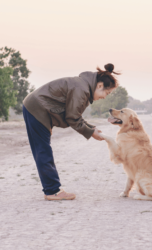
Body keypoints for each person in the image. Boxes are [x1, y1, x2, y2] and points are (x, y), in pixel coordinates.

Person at [22, 63, 119, 200]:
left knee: (42, 149)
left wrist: (91, 128)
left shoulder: (82, 86)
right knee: (43, 150)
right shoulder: (82, 89)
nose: (105, 97)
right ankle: (52, 191)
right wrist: (91, 132)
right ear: (99, 85)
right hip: (37, 109)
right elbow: (72, 118)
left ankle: (52, 189)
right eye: (106, 93)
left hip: (37, 108)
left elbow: (73, 115)